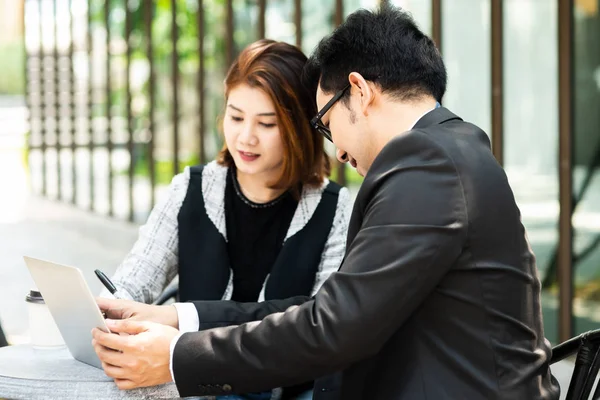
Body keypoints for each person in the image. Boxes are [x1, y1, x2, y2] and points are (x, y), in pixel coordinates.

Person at [92, 5, 561, 399]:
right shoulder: (450, 148)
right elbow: (332, 310)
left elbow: (332, 326)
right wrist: (177, 318)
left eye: (325, 122)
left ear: (359, 91)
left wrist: (176, 357)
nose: (336, 149)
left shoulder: (426, 164)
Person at [100, 39, 351, 399]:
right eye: (235, 117)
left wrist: (181, 317)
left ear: (298, 129)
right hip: (197, 386)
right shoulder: (191, 187)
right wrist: (108, 313)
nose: (245, 137)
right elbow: (135, 280)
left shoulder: (335, 207)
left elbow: (319, 321)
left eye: (266, 124)